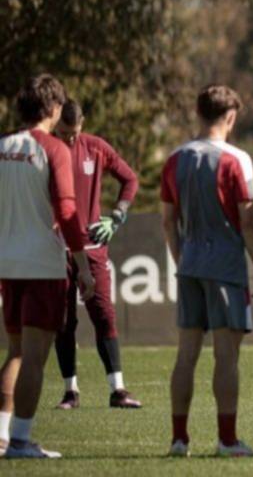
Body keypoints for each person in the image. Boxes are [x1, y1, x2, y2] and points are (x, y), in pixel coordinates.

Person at [160, 85, 253, 458]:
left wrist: (180, 260)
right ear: (231, 117)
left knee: (185, 355)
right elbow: (249, 221)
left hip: (190, 265)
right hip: (226, 268)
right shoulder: (236, 159)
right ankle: (226, 439)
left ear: (198, 114)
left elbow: (168, 220)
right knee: (226, 357)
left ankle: (179, 438)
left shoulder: (175, 159)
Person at [0, 75, 95, 459]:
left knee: (17, 351)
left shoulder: (2, 146)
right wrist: (84, 266)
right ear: (54, 109)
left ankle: (2, 435)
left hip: (7, 262)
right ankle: (20, 441)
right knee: (35, 357)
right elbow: (68, 212)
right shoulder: (54, 150)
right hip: (42, 265)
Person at [51, 99, 142, 410]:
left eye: (74, 133)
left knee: (104, 315)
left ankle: (118, 390)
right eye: (64, 133)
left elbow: (130, 179)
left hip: (92, 247)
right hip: (55, 250)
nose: (70, 139)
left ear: (83, 124)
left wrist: (118, 214)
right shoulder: (46, 150)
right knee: (63, 322)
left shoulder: (96, 147)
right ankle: (70, 391)